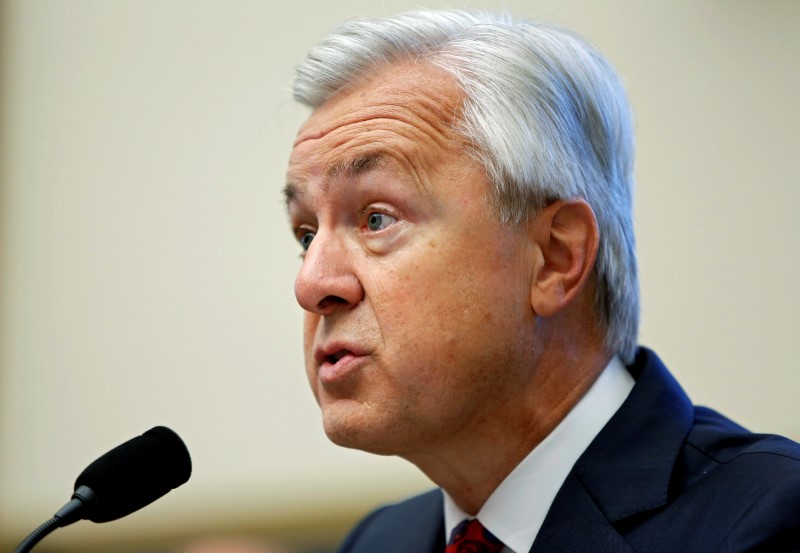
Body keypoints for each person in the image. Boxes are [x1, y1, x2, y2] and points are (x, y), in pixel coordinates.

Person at [283, 10, 800, 552]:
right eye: (305, 234)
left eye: (376, 219)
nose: (312, 284)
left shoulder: (767, 523)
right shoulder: (378, 543)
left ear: (555, 257)